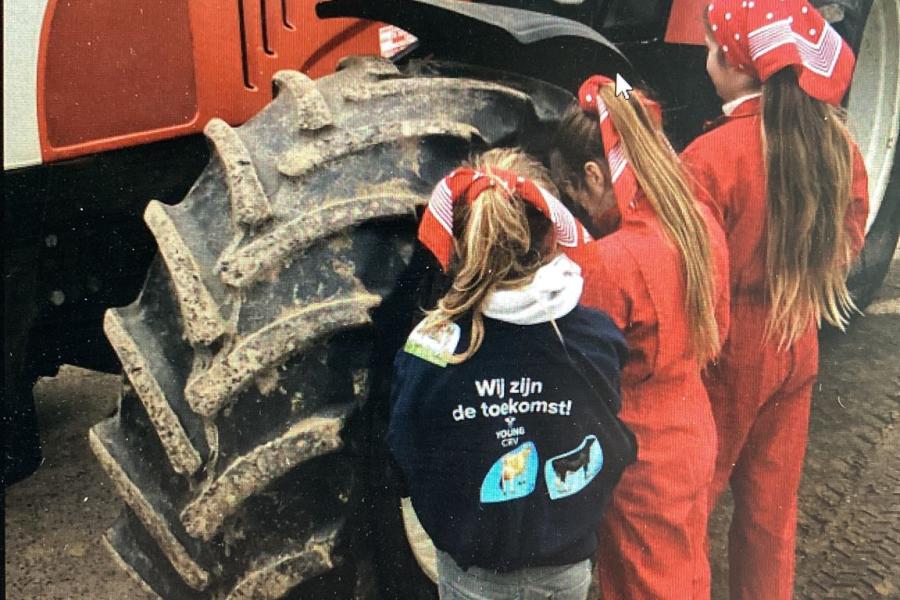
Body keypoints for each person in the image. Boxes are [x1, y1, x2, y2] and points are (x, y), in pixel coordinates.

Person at [679, 1, 869, 597]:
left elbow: (690, 268)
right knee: (769, 517)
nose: (707, 58)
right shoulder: (835, 145)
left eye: (714, 49)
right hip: (797, 333)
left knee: (690, 506)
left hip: (728, 349)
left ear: (741, 68)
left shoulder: (708, 158)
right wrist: (804, 279)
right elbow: (852, 230)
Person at [388, 148, 637, 600]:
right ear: (549, 241)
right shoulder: (594, 339)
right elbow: (612, 441)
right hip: (565, 570)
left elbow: (406, 452)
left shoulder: (429, 351)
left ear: (460, 243)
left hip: (472, 576)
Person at [550, 75, 730, 599]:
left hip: (639, 452)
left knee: (642, 586)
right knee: (687, 572)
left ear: (594, 174)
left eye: (576, 196)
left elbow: (583, 370)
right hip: (693, 425)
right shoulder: (698, 221)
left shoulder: (614, 259)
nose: (582, 211)